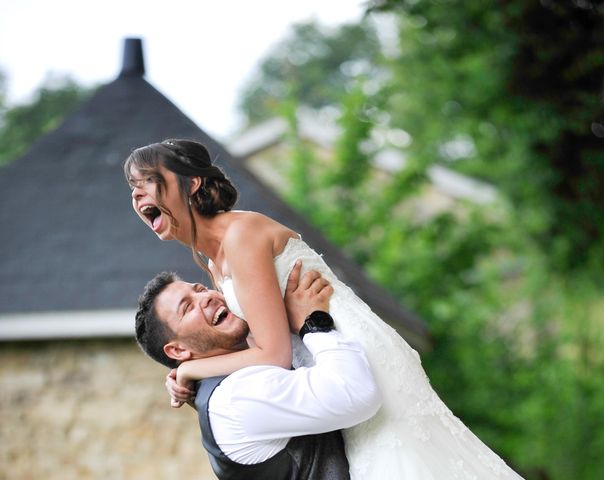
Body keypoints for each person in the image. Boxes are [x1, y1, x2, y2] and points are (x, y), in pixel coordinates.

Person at [124, 138, 525, 479]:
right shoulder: (213, 262)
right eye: (132, 189)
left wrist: (190, 369)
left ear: (191, 184)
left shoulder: (242, 235)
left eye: (146, 182)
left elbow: (273, 354)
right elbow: (247, 342)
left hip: (353, 352)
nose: (137, 195)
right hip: (325, 360)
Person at [134, 262, 382, 479]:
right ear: (178, 352)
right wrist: (314, 322)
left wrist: (189, 370)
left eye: (199, 289)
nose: (205, 297)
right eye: (187, 308)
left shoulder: (255, 348)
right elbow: (357, 391)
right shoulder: (236, 395)